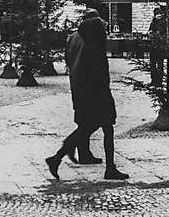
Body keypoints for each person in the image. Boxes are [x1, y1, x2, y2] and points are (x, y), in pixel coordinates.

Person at [46, 9, 128, 181]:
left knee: (86, 127)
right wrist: (105, 92)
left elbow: (68, 59)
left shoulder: (75, 37)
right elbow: (100, 71)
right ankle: (110, 169)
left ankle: (57, 157)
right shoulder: (95, 43)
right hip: (97, 91)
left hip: (79, 87)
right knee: (105, 127)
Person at [64, 8, 102, 165]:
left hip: (75, 80)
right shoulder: (90, 38)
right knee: (94, 120)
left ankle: (84, 153)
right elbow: (93, 62)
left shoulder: (72, 36)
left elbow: (67, 57)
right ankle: (70, 146)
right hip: (87, 82)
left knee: (82, 119)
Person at [148, 6, 169, 86]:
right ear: (155, 15)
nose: (159, 15)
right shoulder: (152, 23)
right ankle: (153, 81)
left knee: (160, 64)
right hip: (153, 46)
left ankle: (159, 82)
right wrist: (150, 33)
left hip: (161, 47)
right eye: (157, 14)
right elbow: (150, 32)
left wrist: (155, 34)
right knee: (152, 64)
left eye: (160, 14)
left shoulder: (164, 24)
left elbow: (166, 35)